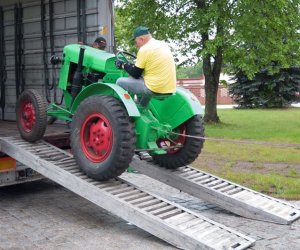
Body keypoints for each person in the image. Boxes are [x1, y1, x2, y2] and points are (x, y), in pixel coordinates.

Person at [115, 26, 176, 95]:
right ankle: (142, 104)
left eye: (136, 42)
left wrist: (123, 65)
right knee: (142, 78)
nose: (136, 45)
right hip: (170, 88)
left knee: (120, 81)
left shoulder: (144, 49)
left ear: (141, 39)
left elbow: (136, 74)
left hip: (155, 88)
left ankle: (121, 105)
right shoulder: (163, 44)